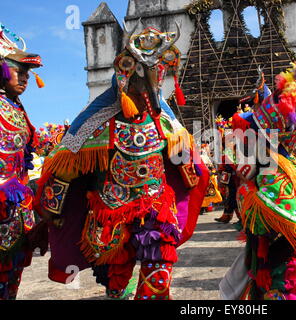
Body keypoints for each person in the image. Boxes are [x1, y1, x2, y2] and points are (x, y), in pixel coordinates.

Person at [35, 23, 209, 299]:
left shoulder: (165, 122)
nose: (150, 86)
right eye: (143, 75)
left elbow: (187, 167)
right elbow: (65, 167)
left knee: (158, 276)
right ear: (126, 74)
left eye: (156, 75)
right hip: (110, 211)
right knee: (116, 283)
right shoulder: (97, 122)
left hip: (155, 209)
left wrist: (194, 176)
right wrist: (52, 208)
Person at [224, 62, 296, 300]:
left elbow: (267, 229)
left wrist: (260, 263)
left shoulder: (270, 170)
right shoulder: (288, 163)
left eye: (249, 131)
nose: (242, 138)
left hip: (276, 265)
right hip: (280, 258)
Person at [0, 25, 47, 299]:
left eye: (29, 74)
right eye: (21, 71)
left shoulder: (17, 107)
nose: (26, 79)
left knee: (12, 272)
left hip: (16, 210)